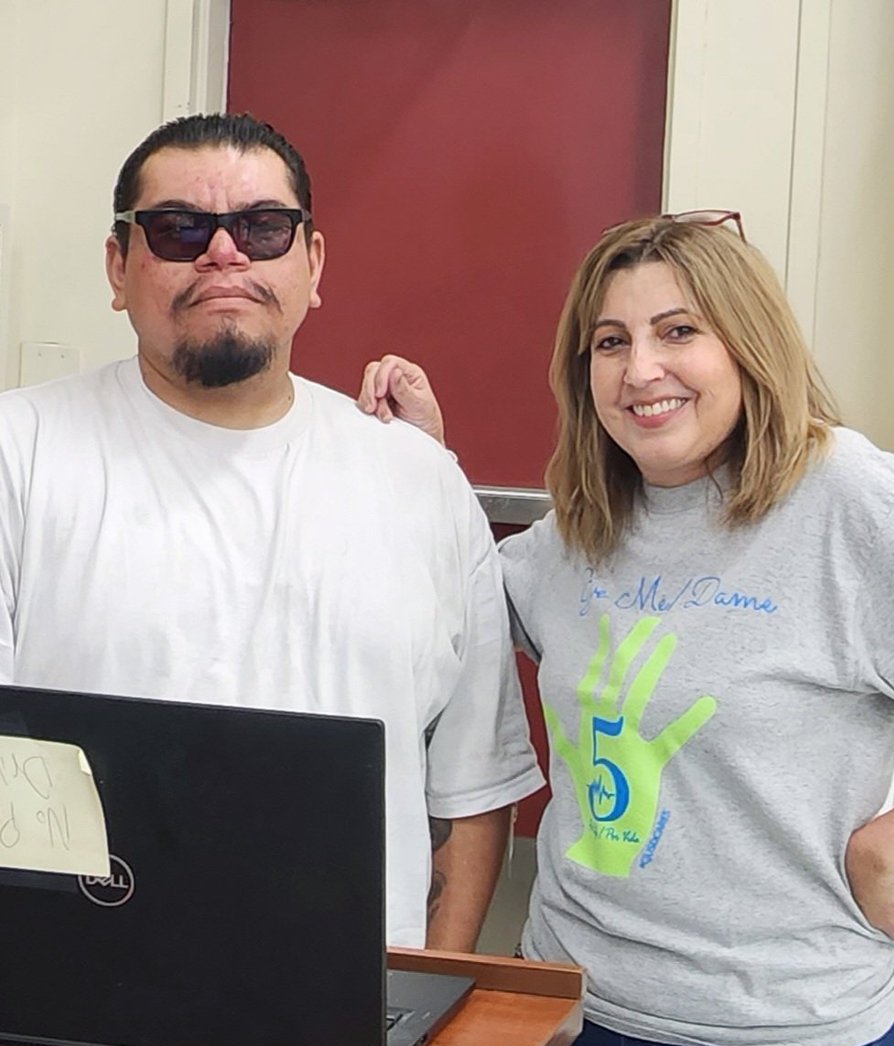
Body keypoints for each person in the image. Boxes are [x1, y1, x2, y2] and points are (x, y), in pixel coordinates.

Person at [358, 211, 894, 1046]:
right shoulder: (585, 517)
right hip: (572, 1019)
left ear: (746, 345)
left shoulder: (843, 498)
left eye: (678, 332)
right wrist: (428, 475)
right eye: (609, 342)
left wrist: (891, 850)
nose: (639, 370)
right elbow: (456, 627)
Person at [0, 113, 542, 951]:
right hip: (71, 1002)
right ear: (118, 266)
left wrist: (433, 985)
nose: (225, 253)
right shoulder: (19, 457)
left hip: (356, 1011)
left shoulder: (420, 480)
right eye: (179, 229)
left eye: (263, 228)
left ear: (313, 263)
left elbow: (472, 782)